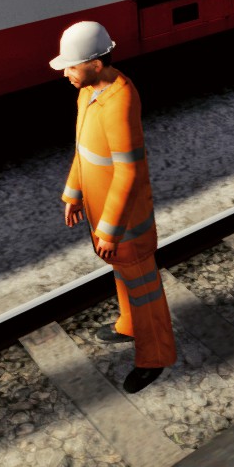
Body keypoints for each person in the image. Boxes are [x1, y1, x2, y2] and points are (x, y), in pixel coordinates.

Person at [53, 21, 177, 393]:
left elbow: (128, 172)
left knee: (144, 289)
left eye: (71, 66)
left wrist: (109, 230)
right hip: (103, 214)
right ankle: (129, 325)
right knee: (123, 277)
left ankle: (155, 357)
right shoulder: (87, 93)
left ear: (95, 64)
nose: (66, 73)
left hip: (126, 225)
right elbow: (84, 150)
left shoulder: (119, 102)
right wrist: (74, 193)